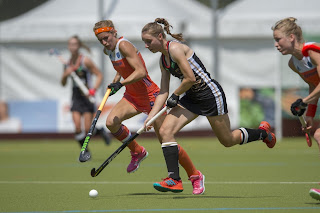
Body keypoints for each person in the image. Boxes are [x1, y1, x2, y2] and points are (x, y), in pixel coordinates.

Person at [141, 18, 276, 194]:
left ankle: (263, 133)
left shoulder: (174, 49)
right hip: (192, 97)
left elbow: (190, 78)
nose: (146, 46)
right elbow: (163, 92)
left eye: (148, 41)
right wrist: (151, 115)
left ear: (160, 36)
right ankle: (174, 179)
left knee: (227, 140)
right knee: (166, 131)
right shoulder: (163, 61)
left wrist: (176, 95)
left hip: (210, 95)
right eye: (144, 42)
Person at [93, 20, 205, 195]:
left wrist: (120, 84)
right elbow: (122, 67)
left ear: (114, 32)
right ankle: (138, 152)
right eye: (101, 40)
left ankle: (195, 176)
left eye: (106, 38)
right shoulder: (108, 49)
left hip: (150, 96)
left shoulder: (124, 45)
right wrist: (115, 81)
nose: (105, 42)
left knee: (166, 140)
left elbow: (140, 72)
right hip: (132, 96)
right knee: (111, 123)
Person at [272, 17, 320, 201]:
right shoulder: (294, 63)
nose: (276, 45)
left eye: (278, 39)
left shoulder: (312, 51)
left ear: (291, 37)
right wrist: (309, 114)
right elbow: (313, 85)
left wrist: (304, 101)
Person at [61, 35, 111, 160]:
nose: (72, 47)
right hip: (76, 97)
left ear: (78, 46)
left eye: (74, 44)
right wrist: (65, 75)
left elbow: (99, 75)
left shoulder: (85, 61)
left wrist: (93, 90)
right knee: (78, 128)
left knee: (88, 129)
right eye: (70, 44)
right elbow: (63, 83)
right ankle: (85, 152)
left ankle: (99, 131)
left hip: (87, 97)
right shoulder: (67, 64)